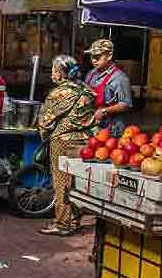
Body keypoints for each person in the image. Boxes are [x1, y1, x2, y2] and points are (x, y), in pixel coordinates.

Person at [38, 55, 96, 236]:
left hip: (62, 141)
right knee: (76, 182)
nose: (52, 74)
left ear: (62, 74)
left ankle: (63, 224)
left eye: (54, 70)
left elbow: (45, 123)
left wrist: (45, 136)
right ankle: (74, 220)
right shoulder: (86, 90)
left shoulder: (58, 93)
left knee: (62, 182)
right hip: (84, 141)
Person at [83, 39, 132, 138]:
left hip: (111, 129)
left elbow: (125, 104)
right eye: (92, 57)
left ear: (109, 56)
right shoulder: (91, 74)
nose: (93, 60)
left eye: (98, 57)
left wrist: (104, 111)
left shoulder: (119, 78)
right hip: (91, 125)